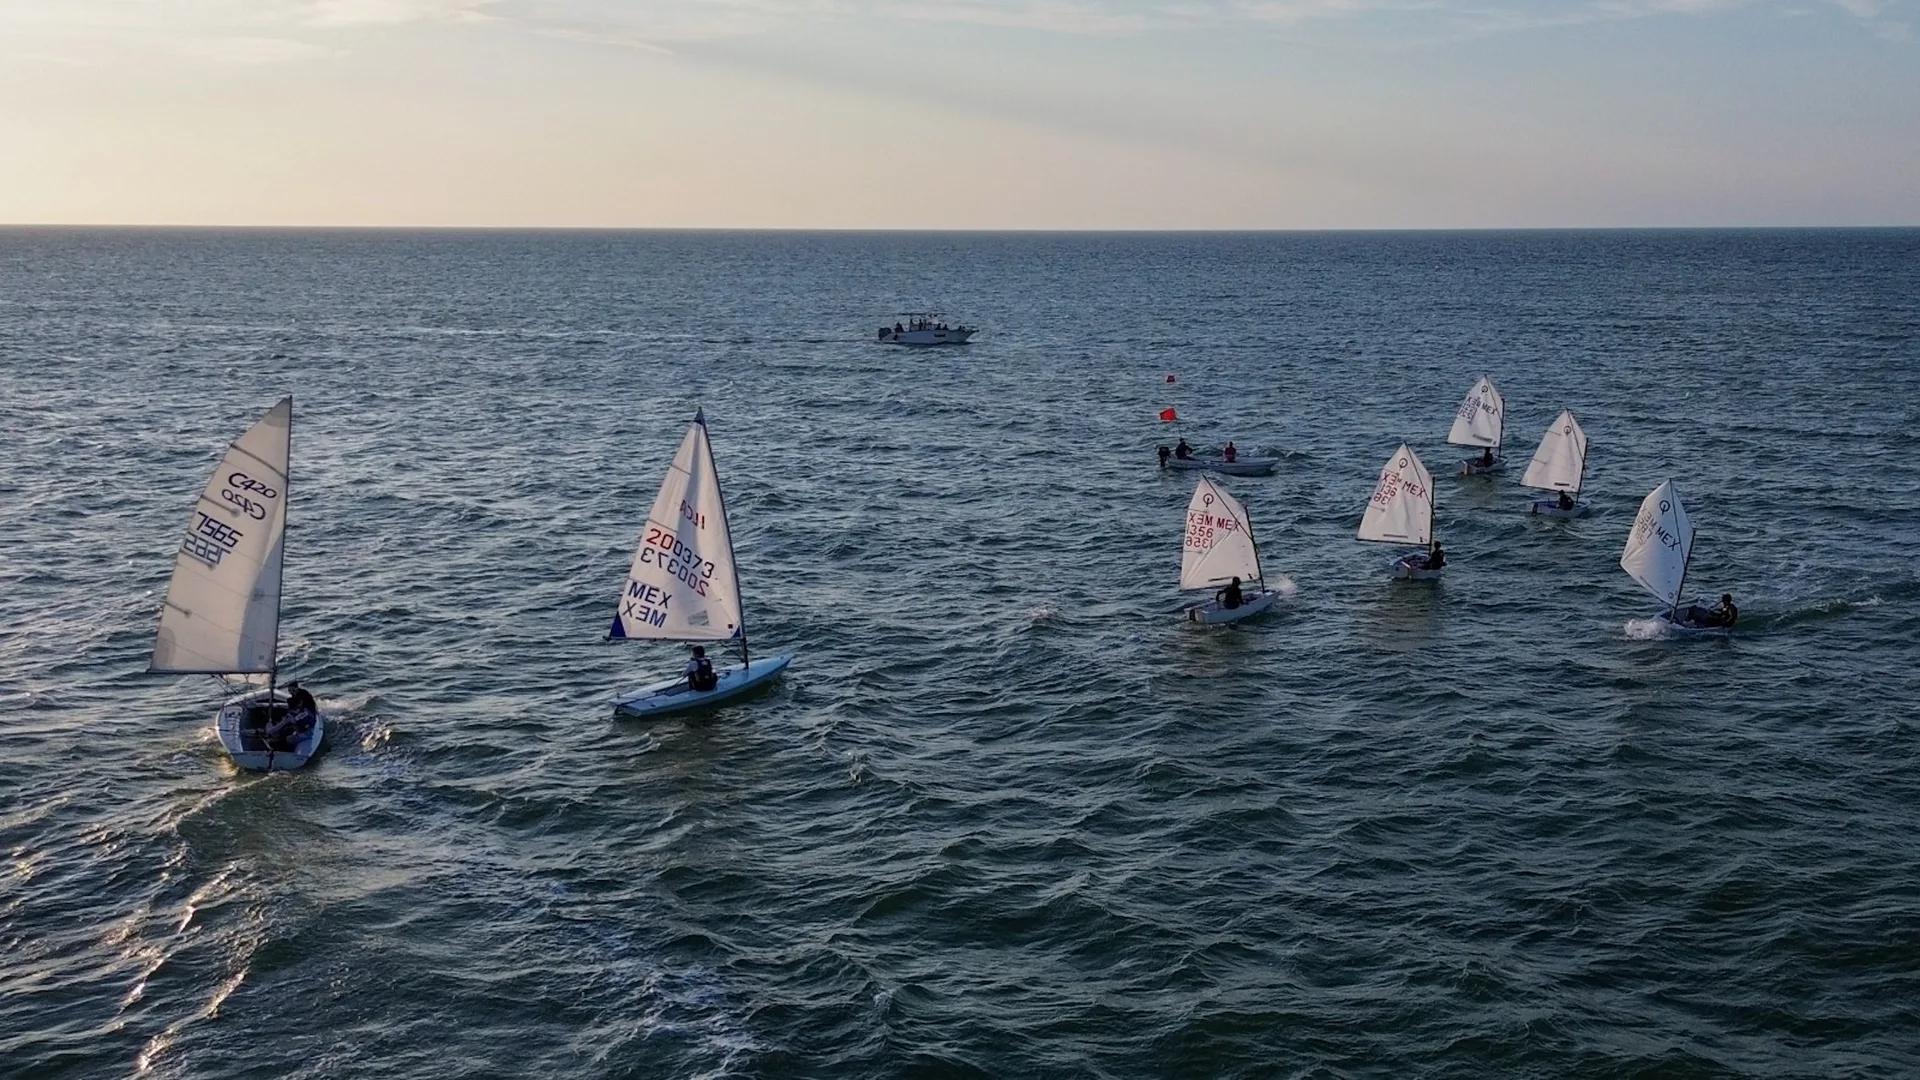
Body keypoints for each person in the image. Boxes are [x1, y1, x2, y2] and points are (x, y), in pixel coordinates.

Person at [265, 681, 317, 752]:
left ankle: (279, 747)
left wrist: (269, 724)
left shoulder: (291, 716)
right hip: (308, 727)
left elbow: (272, 730)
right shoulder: (307, 709)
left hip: (305, 734)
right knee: (287, 727)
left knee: (285, 737)